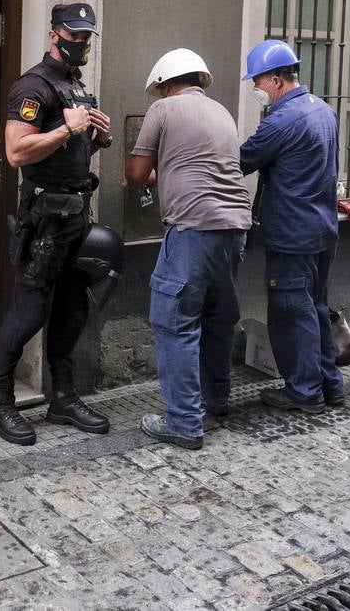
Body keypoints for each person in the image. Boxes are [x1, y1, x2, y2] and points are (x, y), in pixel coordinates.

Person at [0, 2, 115, 445]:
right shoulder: (31, 87)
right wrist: (67, 129)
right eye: (73, 34)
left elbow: (72, 155)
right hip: (44, 220)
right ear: (53, 34)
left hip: (77, 215)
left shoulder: (76, 88)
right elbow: (17, 153)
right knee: (28, 313)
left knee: (72, 308)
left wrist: (97, 136)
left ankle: (63, 397)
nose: (80, 43)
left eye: (86, 37)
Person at [127, 49, 252, 450]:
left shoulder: (162, 111)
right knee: (217, 319)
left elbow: (135, 174)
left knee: (174, 321)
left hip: (192, 229)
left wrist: (159, 175)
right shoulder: (222, 112)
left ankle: (183, 422)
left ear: (165, 85)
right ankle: (214, 402)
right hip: (234, 229)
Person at [239, 39, 345, 414]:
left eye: (257, 82)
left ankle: (304, 392)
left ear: (276, 79)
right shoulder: (322, 110)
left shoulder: (282, 120)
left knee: (290, 310)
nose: (256, 90)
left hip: (291, 233)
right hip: (322, 229)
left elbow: (242, 160)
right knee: (315, 307)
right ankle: (331, 385)